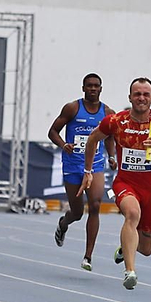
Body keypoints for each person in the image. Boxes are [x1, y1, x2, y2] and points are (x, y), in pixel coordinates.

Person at [83, 77, 151, 290]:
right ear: (130, 97)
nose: (141, 98)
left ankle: (126, 248)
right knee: (132, 214)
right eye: (137, 94)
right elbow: (92, 139)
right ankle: (130, 271)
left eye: (146, 94)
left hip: (150, 189)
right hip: (125, 183)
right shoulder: (116, 121)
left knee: (146, 249)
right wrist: (88, 171)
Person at [47, 73, 115, 271]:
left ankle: (88, 256)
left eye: (96, 86)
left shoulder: (108, 112)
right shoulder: (72, 108)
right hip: (73, 165)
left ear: (101, 89)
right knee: (77, 212)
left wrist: (111, 156)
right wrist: (63, 144)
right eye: (89, 86)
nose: (93, 89)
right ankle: (64, 222)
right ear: (83, 88)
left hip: (96, 165)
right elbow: (52, 131)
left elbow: (110, 137)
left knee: (95, 205)